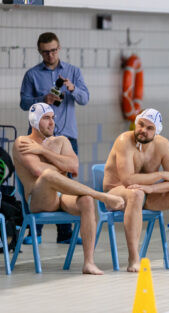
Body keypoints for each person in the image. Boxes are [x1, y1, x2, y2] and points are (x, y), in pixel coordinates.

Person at [12, 103, 125, 275]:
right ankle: (102, 196)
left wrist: (43, 150)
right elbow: (38, 170)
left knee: (86, 201)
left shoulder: (62, 141)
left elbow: (74, 167)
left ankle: (89, 263)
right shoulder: (23, 142)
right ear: (35, 122)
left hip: (63, 197)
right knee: (48, 175)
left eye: (53, 118)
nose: (52, 123)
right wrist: (61, 166)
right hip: (39, 199)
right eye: (46, 118)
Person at [20, 32, 90, 244]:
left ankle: (65, 234)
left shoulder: (73, 72)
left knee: (66, 182)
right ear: (40, 52)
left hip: (66, 135)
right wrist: (43, 99)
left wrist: (73, 89)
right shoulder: (32, 75)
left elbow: (85, 98)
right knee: (38, 179)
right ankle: (35, 231)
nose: (50, 55)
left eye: (53, 51)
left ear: (59, 49)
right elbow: (24, 103)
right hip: (40, 137)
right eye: (45, 52)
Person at [103, 109, 169, 272]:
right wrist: (160, 174)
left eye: (149, 128)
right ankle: (134, 258)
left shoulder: (163, 145)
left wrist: (152, 187)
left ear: (156, 131)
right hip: (116, 193)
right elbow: (127, 180)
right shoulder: (124, 140)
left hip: (146, 194)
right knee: (136, 193)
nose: (143, 130)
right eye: (141, 125)